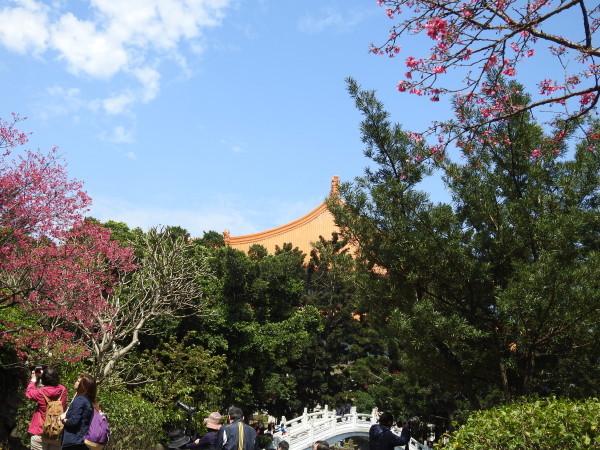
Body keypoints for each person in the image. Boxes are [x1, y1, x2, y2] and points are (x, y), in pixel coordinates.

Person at [25, 366, 68, 450]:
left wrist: (34, 380)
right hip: (56, 431)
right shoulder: (63, 390)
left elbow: (29, 393)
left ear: (44, 379)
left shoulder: (41, 392)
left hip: (40, 431)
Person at [60, 374, 95, 450]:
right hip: (81, 442)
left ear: (83, 385)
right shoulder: (88, 401)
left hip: (73, 443)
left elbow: (73, 422)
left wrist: (63, 419)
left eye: (78, 381)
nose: (75, 382)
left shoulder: (80, 400)